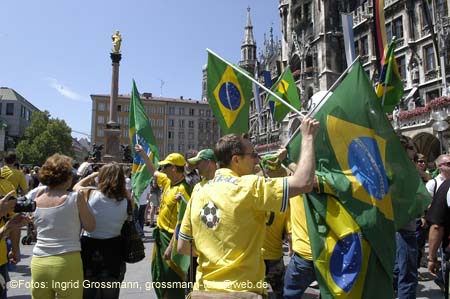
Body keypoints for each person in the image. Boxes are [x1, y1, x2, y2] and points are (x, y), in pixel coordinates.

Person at [177, 117, 319, 297]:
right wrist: (307, 137)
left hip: (204, 291)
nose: (256, 159)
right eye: (253, 155)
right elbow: (304, 182)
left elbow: (182, 246)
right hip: (242, 291)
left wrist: (216, 252)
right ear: (236, 159)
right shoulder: (249, 186)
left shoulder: (198, 191)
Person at [30, 154, 95, 299]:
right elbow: (90, 226)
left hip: (39, 261)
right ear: (67, 177)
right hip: (67, 261)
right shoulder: (75, 198)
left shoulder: (37, 194)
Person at [135, 145, 192, 299]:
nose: (162, 169)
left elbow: (184, 221)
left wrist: (171, 246)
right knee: (159, 275)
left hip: (173, 239)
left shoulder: (184, 189)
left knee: (172, 278)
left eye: (165, 166)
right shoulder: (167, 181)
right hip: (161, 236)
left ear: (173, 168)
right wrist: (143, 154)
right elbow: (153, 170)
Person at [73, 163, 129, 299]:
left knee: (88, 292)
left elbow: (75, 187)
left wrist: (93, 175)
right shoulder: (127, 199)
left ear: (102, 177)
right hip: (114, 247)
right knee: (110, 293)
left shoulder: (90, 193)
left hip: (89, 246)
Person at [258, 151, 291, 299]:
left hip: (255, 256)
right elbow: (290, 234)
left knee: (255, 293)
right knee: (281, 293)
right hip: (275, 256)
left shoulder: (253, 194)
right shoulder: (286, 202)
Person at [394, 136, 419, 299]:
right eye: (411, 148)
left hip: (400, 227)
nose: (414, 151)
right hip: (403, 228)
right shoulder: (399, 171)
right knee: (408, 276)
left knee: (397, 271)